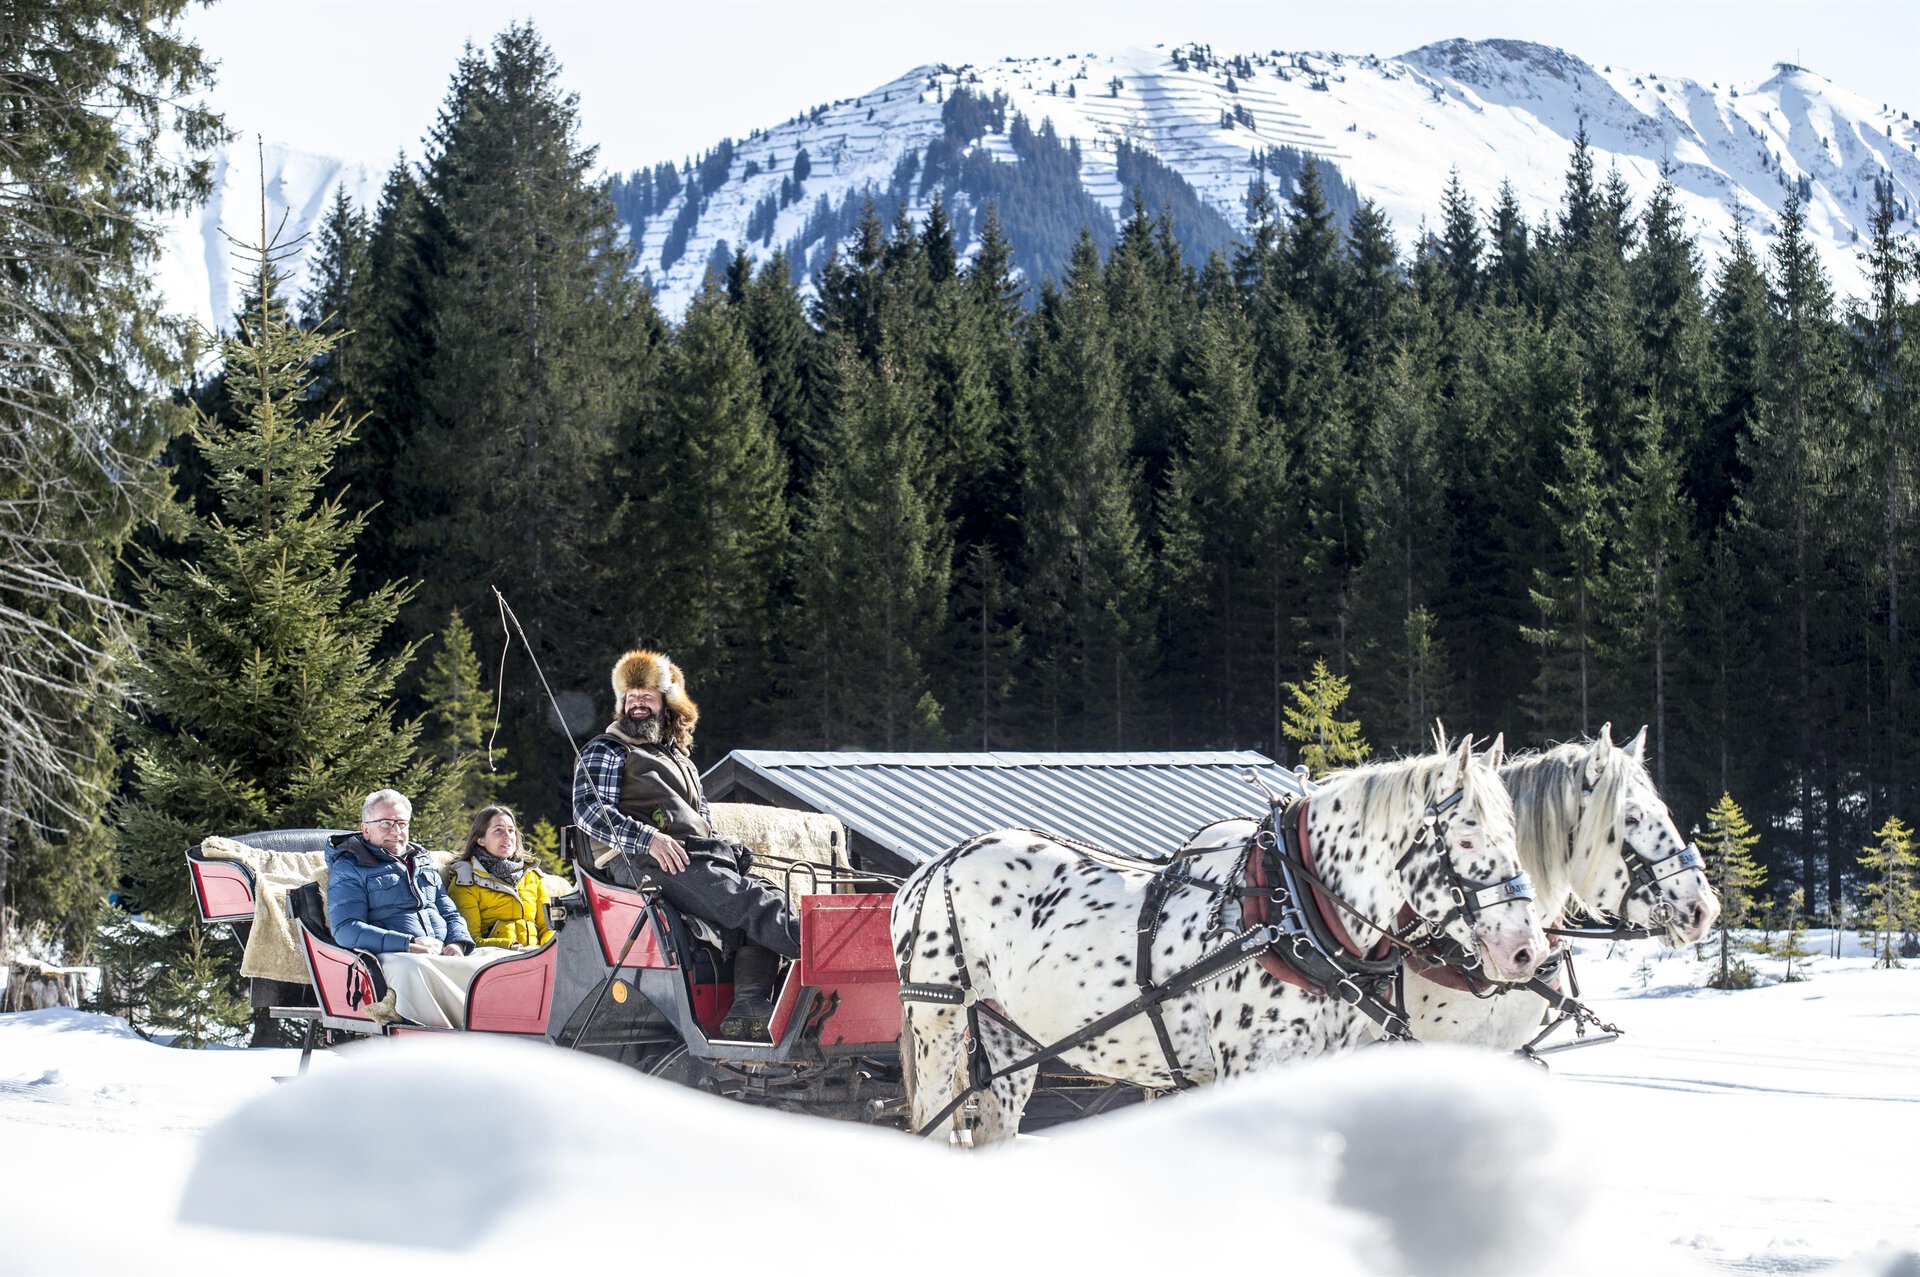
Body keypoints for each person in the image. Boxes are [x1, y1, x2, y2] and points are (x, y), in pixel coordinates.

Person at [571, 648, 799, 1041]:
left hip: (688, 856)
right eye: (630, 696)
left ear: (665, 703)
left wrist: (726, 847)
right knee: (750, 902)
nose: (637, 703)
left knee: (768, 893)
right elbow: (589, 810)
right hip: (639, 859)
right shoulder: (608, 750)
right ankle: (824, 955)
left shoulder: (681, 760)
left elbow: (701, 821)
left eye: (646, 696)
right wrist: (649, 838)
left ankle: (748, 1006)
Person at [327, 789, 508, 1029]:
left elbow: (450, 912)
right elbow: (345, 929)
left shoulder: (422, 861)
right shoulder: (351, 867)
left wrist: (457, 943)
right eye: (386, 823)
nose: (396, 831)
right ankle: (446, 1038)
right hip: (391, 956)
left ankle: (504, 1030)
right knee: (415, 969)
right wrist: (408, 944)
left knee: (500, 960)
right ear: (366, 829)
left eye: (402, 823)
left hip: (440, 950)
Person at [449, 804, 555, 951]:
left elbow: (550, 927)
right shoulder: (466, 880)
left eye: (511, 830)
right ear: (481, 839)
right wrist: (514, 948)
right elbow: (469, 940)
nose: (507, 837)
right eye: (498, 830)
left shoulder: (531, 876)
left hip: (537, 956)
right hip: (495, 959)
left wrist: (546, 950)